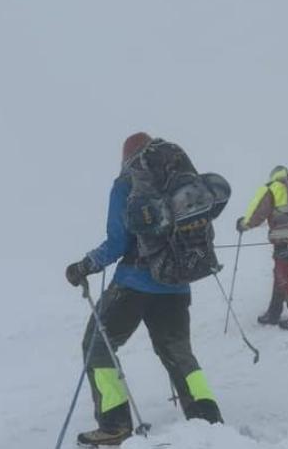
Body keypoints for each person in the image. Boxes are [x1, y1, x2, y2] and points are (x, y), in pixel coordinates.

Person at [65, 132, 222, 447]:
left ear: (128, 158)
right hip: (177, 284)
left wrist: (84, 266)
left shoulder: (126, 184)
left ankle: (114, 424)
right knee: (177, 350)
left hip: (135, 285)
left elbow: (117, 243)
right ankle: (208, 417)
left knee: (98, 346)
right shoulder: (183, 186)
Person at [236, 166, 288, 330]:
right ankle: (273, 312)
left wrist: (244, 224)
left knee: (283, 274)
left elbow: (258, 212)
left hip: (286, 235)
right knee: (281, 272)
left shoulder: (274, 186)